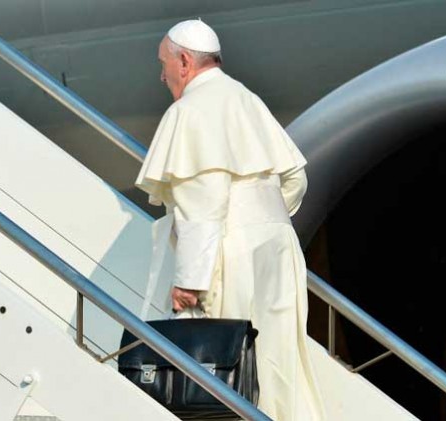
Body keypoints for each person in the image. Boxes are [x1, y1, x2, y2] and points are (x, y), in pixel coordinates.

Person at [135, 19, 325, 421]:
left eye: (164, 63)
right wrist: (260, 217)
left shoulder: (190, 109)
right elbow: (295, 178)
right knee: (280, 364)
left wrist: (189, 281)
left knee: (231, 369)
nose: (161, 74)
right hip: (278, 246)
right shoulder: (246, 98)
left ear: (184, 61)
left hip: (232, 251)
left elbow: (201, 203)